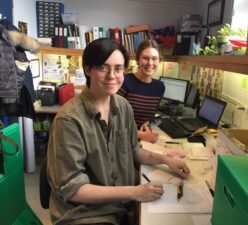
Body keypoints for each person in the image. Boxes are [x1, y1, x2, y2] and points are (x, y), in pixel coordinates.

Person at [47, 38, 190, 225]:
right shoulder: (69, 120)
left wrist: (166, 160)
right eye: (103, 68)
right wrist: (134, 191)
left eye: (118, 68)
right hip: (84, 215)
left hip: (120, 205)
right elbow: (73, 189)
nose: (112, 76)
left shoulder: (123, 107)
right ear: (88, 69)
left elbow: (134, 150)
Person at [118, 39, 165, 144]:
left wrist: (148, 122)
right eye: (145, 58)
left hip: (143, 141)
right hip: (121, 141)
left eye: (154, 59)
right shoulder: (124, 82)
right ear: (137, 60)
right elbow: (111, 120)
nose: (150, 63)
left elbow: (152, 115)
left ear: (159, 61)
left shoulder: (159, 87)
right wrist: (139, 135)